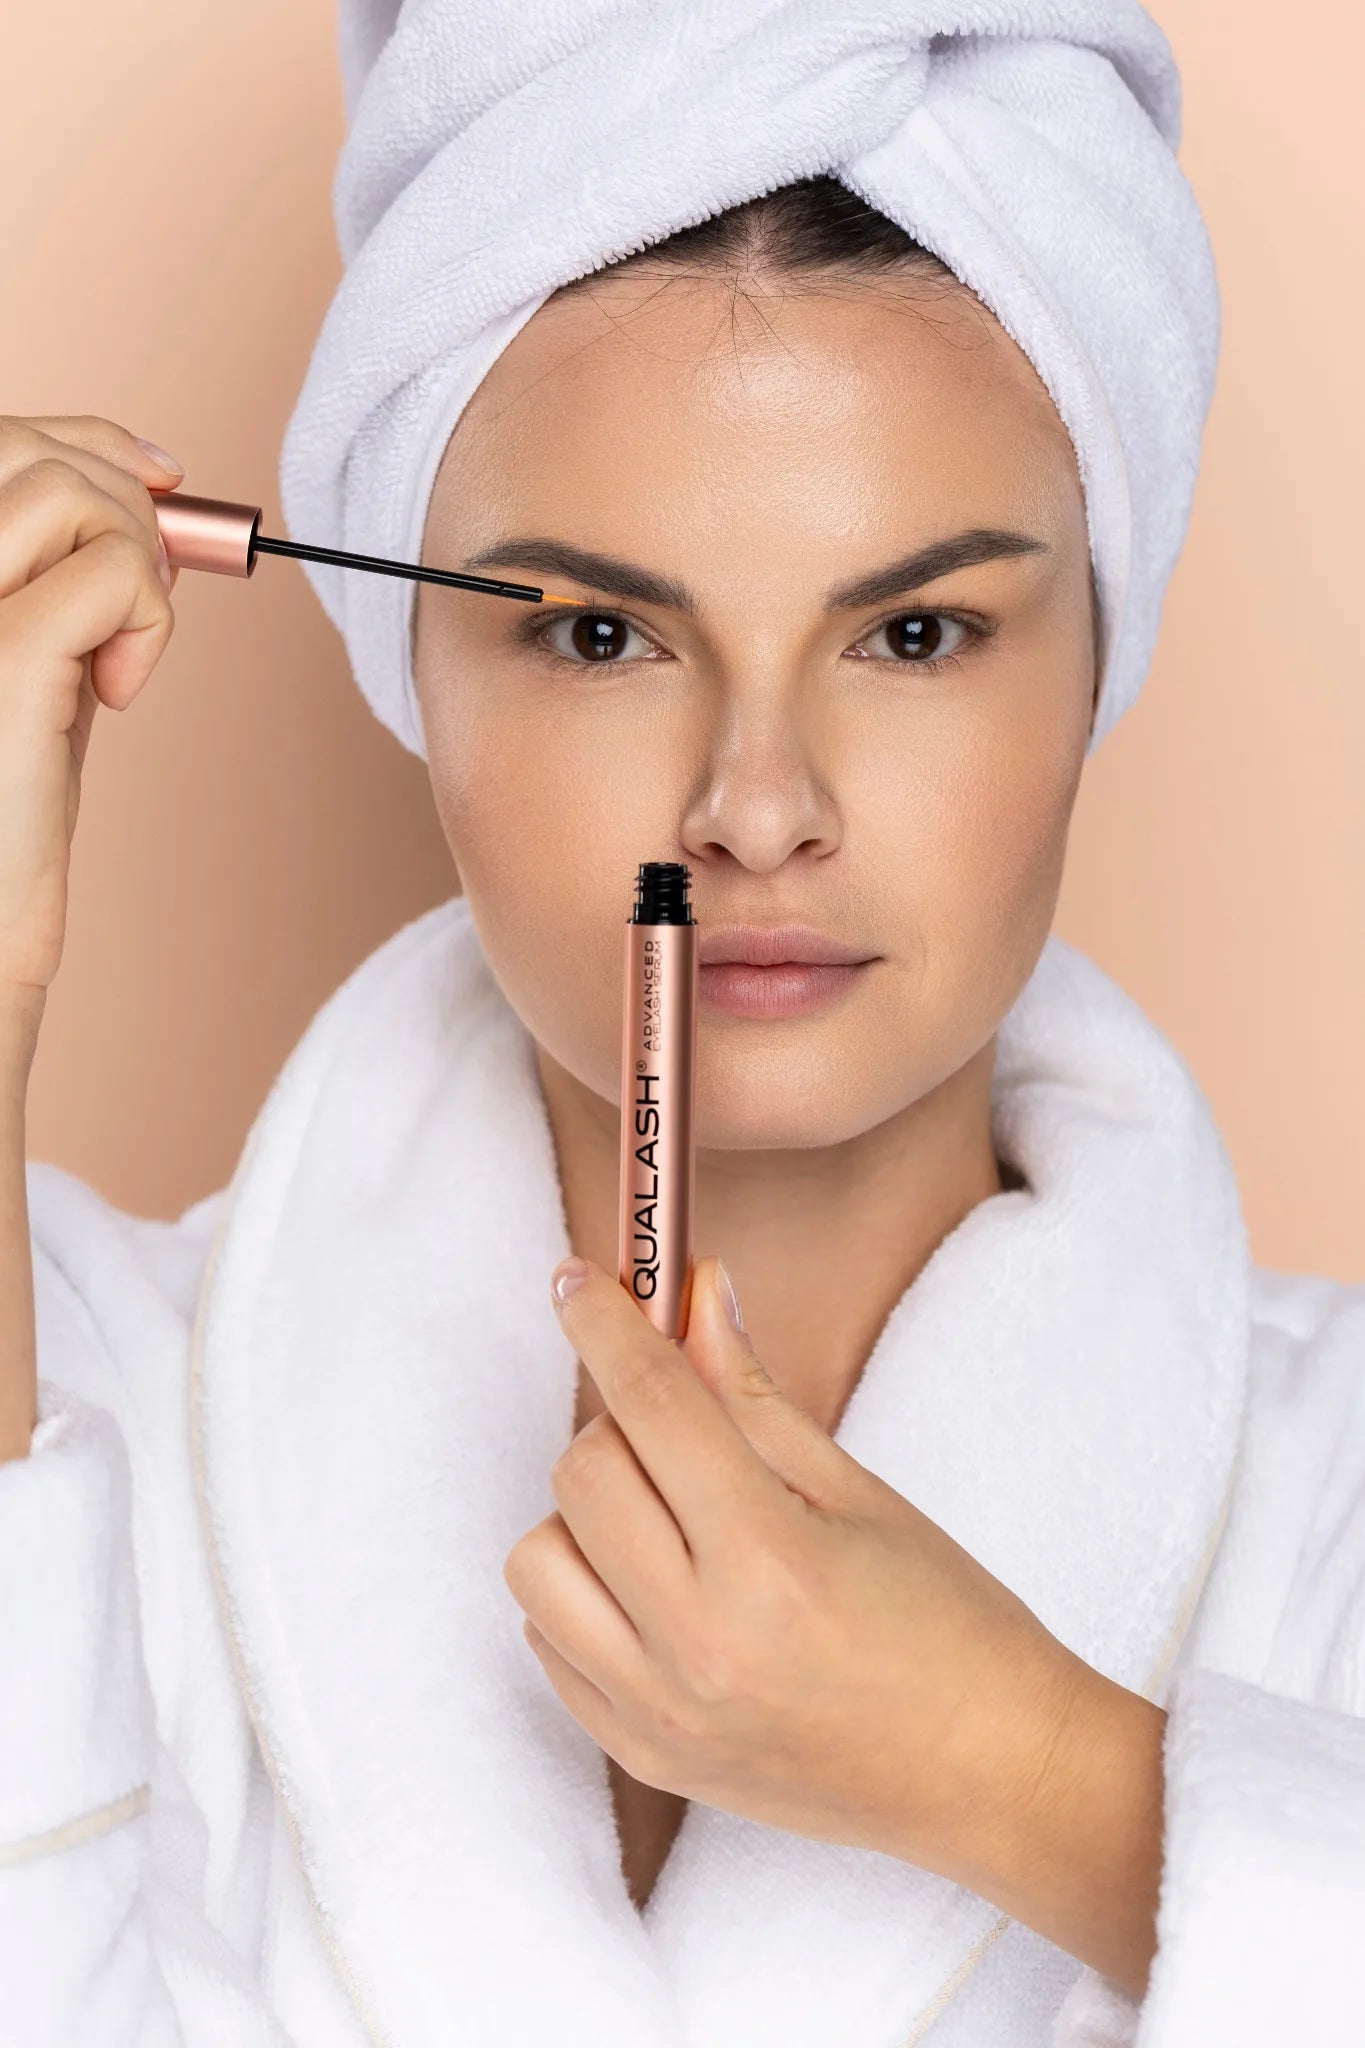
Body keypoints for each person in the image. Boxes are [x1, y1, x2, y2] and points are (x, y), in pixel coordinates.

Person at [2, 9, 1362, 2048]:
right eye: (598, 633)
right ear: (411, 671)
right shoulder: (71, 1394)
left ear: (1097, 655)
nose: (751, 799)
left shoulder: (1330, 1480)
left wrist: (1027, 1774)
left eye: (913, 633)